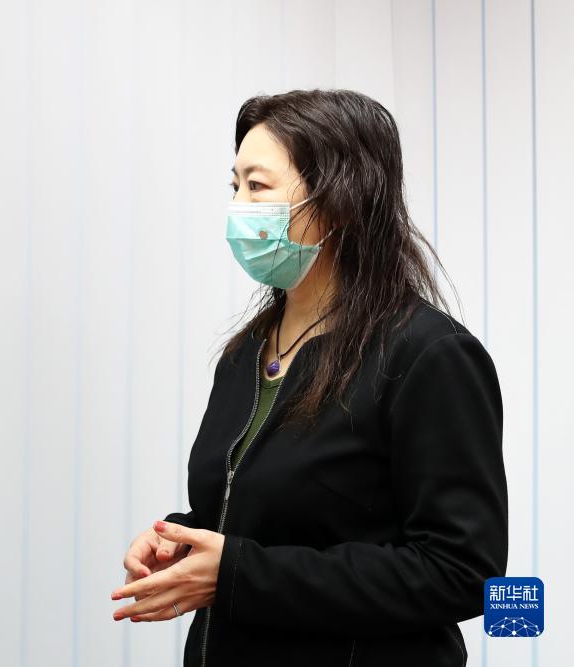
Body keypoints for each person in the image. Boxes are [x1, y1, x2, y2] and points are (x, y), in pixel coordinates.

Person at [114, 89, 507, 666]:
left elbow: (462, 572)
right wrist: (182, 539)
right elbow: (270, 517)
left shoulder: (429, 354)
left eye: (258, 186)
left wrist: (238, 573)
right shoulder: (246, 352)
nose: (239, 206)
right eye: (234, 186)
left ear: (340, 202)